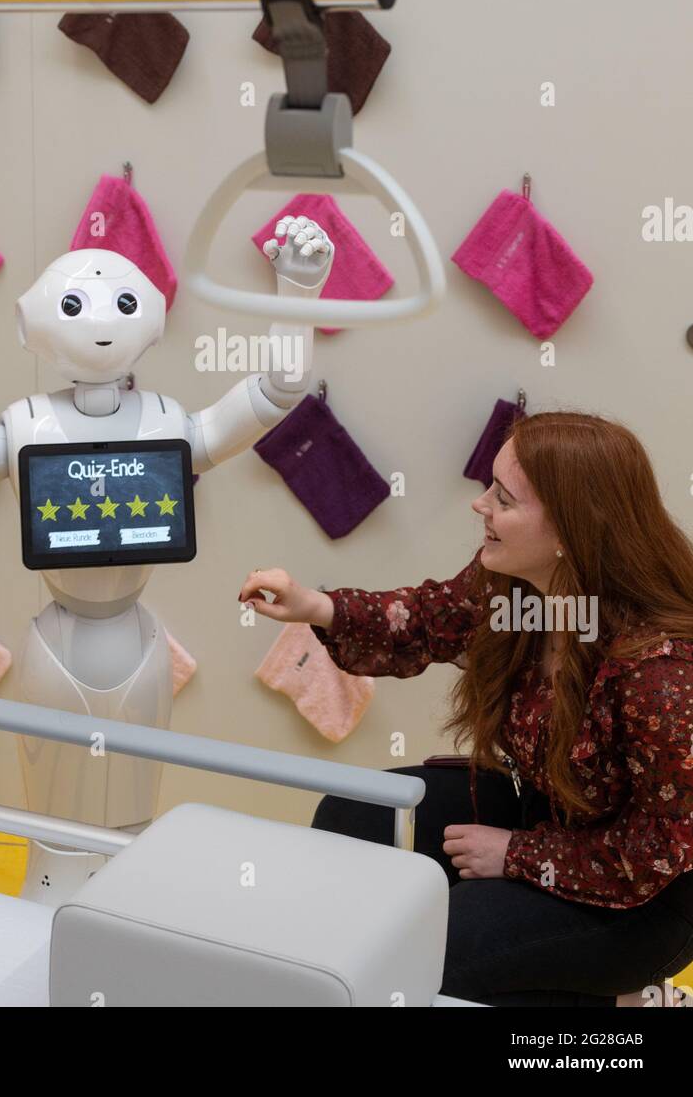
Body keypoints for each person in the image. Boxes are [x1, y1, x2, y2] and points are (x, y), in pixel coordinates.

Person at [238, 411, 693, 1007]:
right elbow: (428, 618)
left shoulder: (660, 672)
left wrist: (515, 855)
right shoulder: (520, 591)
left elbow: (653, 850)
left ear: (568, 532)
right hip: (551, 814)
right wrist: (315, 606)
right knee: (355, 815)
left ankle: (601, 1019)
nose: (480, 506)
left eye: (503, 498)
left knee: (449, 939)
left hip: (648, 896)